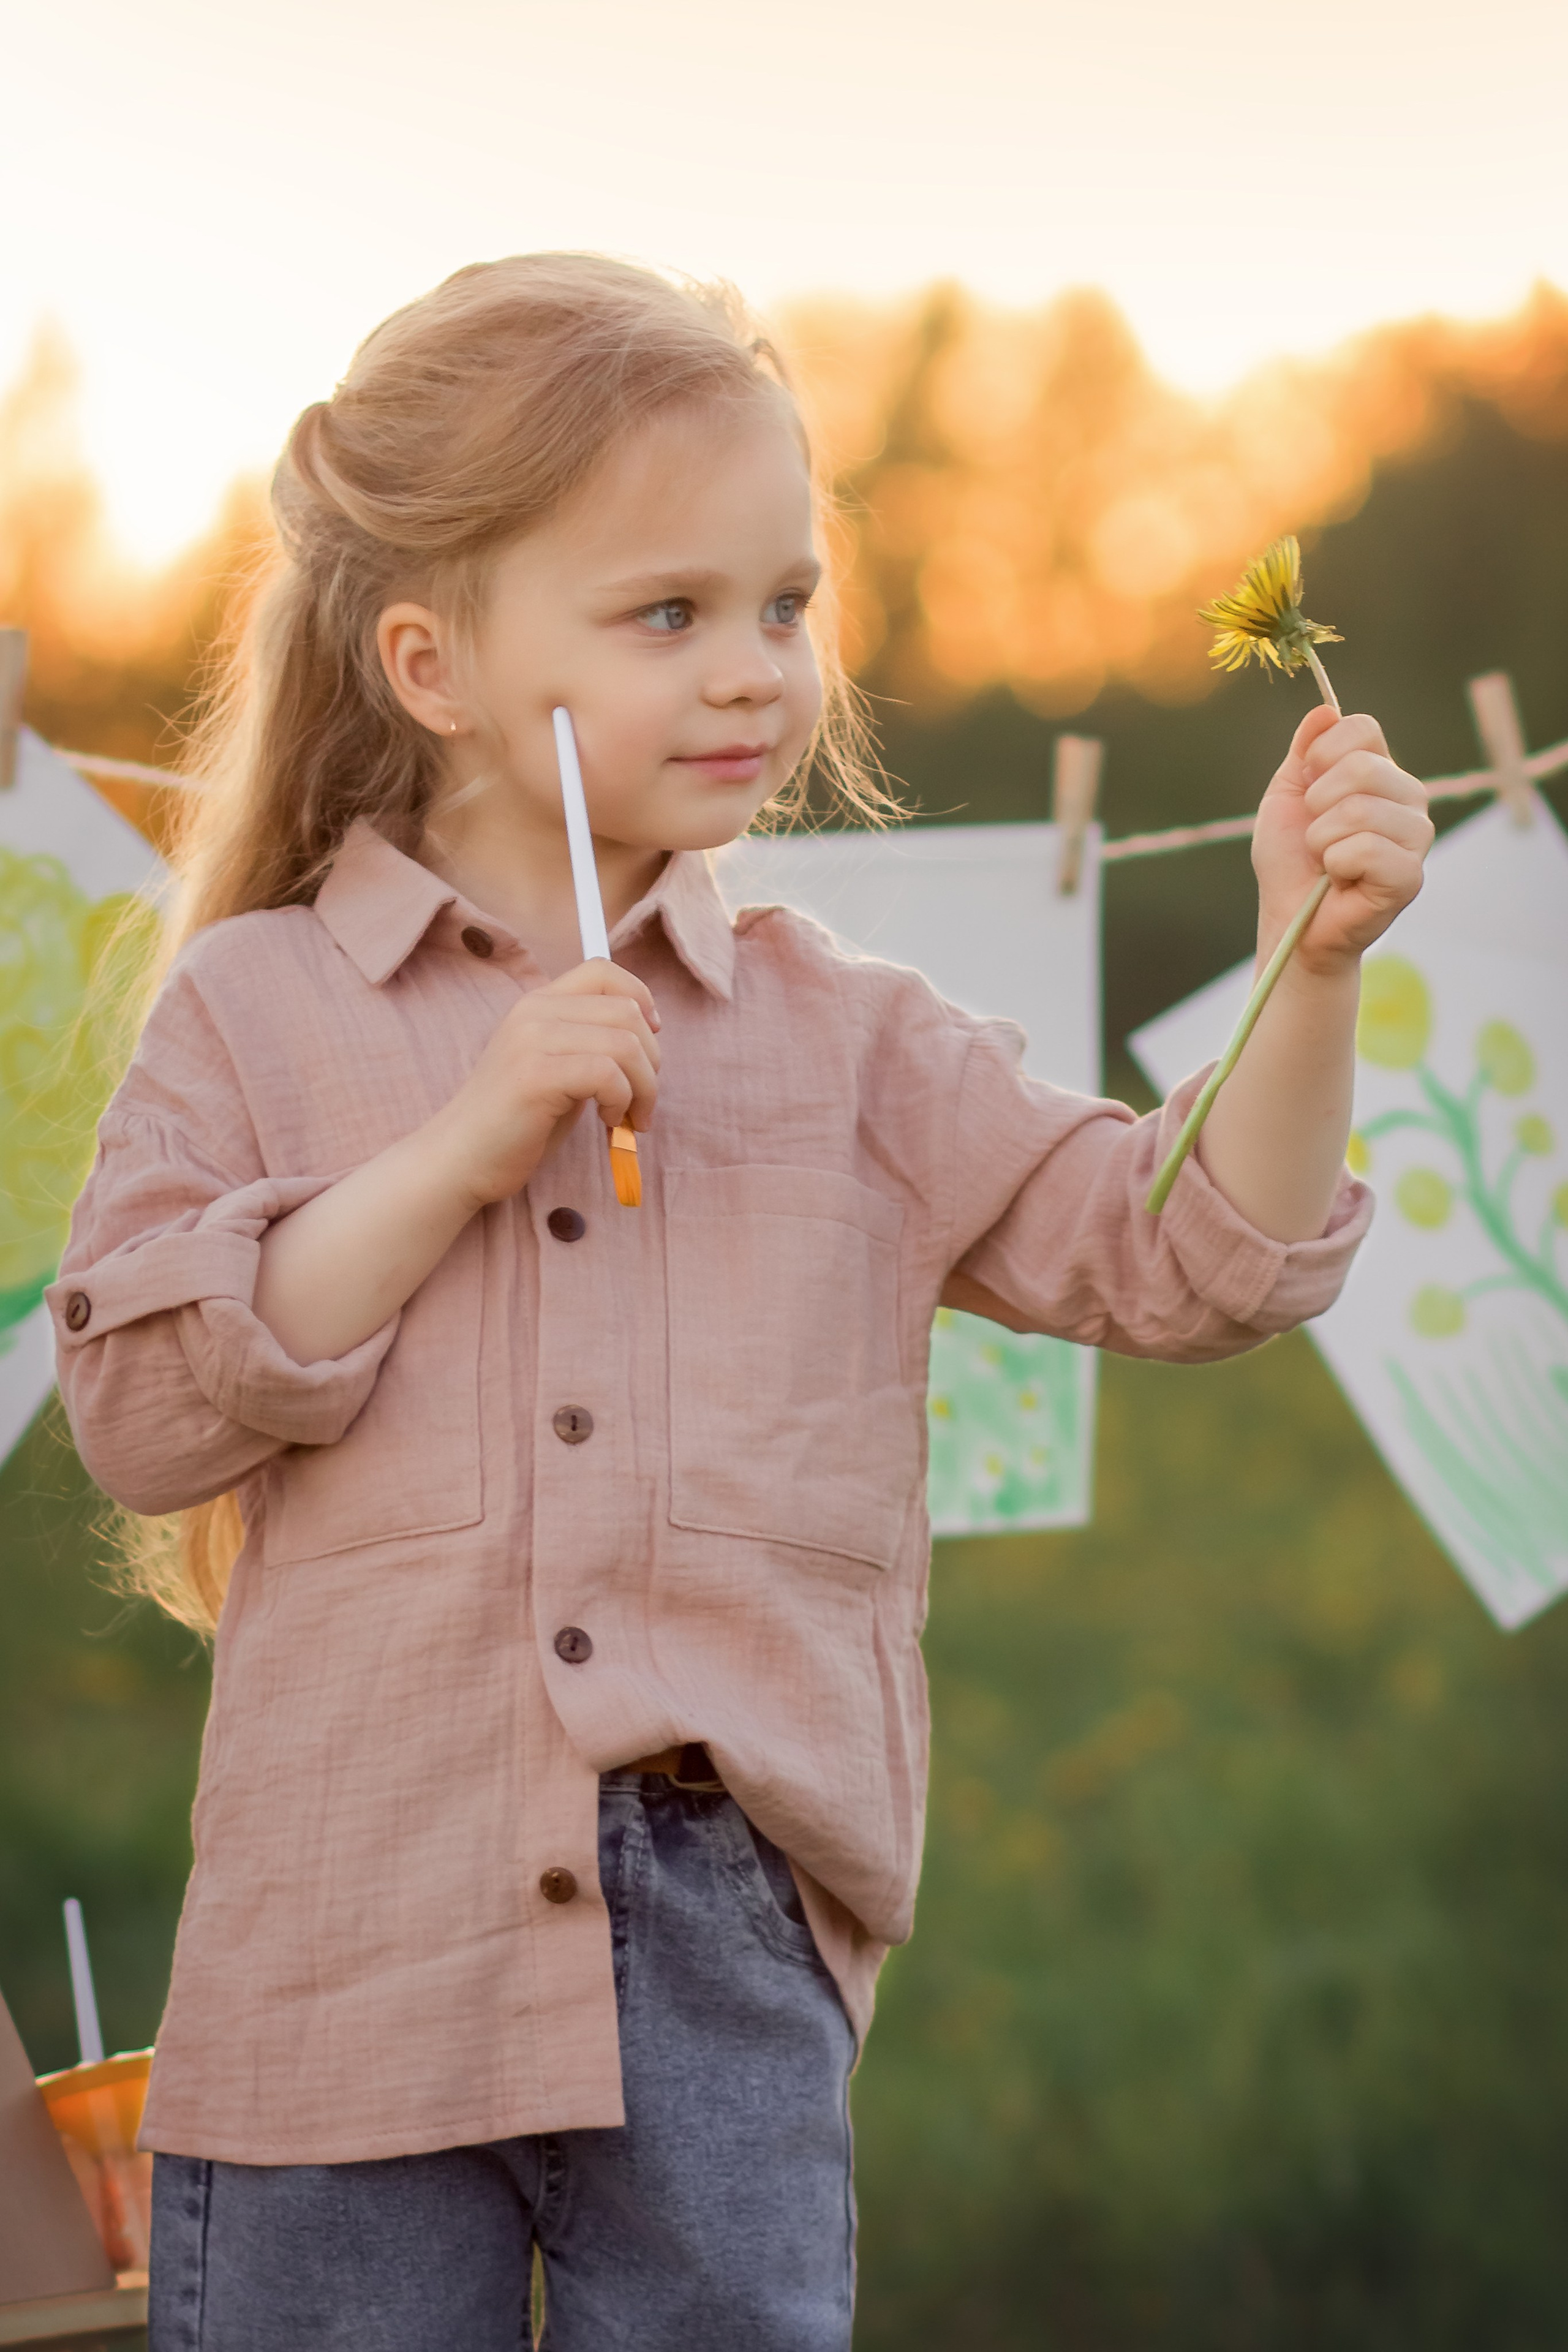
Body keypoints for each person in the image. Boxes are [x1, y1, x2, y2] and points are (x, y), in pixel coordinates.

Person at [49, 254, 1430, 2352]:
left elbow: (1186, 1255)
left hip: (721, 1937)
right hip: (344, 1935)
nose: (753, 673)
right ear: (432, 660)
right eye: (667, 613)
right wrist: (456, 1150)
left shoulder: (849, 1043)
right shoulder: (261, 1010)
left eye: (784, 606)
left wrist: (1309, 971)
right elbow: (147, 1412)